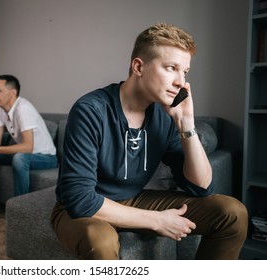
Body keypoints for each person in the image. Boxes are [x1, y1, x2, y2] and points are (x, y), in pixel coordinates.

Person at [51, 23, 248, 260]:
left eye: (184, 72)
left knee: (231, 213)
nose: (180, 81)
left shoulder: (163, 117)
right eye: (171, 68)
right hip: (84, 208)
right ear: (138, 67)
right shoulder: (91, 110)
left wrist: (186, 124)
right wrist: (157, 221)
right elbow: (80, 200)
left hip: (134, 199)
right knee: (100, 241)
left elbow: (202, 187)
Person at [0, 75, 57, 215]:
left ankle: (20, 210)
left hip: (45, 157)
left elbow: (28, 147)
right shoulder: (0, 110)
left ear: (12, 93)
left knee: (19, 158)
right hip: (24, 154)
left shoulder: (24, 109)